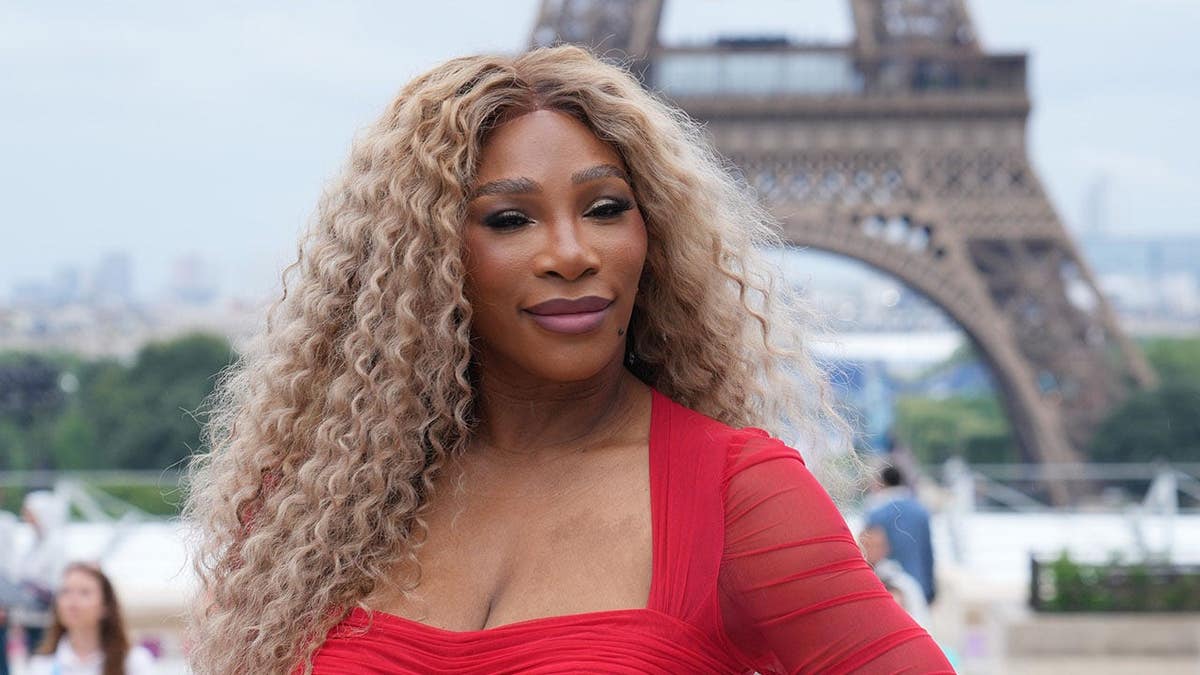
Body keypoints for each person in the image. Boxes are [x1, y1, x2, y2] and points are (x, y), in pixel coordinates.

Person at [185, 45, 954, 674]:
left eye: (606, 208)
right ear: (423, 262)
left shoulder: (738, 496)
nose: (571, 252)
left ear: (654, 233)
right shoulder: (317, 507)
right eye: (511, 219)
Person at [27, 562, 155, 675]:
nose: (72, 601)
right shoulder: (41, 666)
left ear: (105, 606)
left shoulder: (134, 662)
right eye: (65, 591)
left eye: (84, 592)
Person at [863, 465, 937, 604]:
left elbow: (868, 554)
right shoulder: (921, 511)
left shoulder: (876, 513)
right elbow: (928, 552)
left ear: (882, 482)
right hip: (920, 585)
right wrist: (931, 590)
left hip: (889, 592)